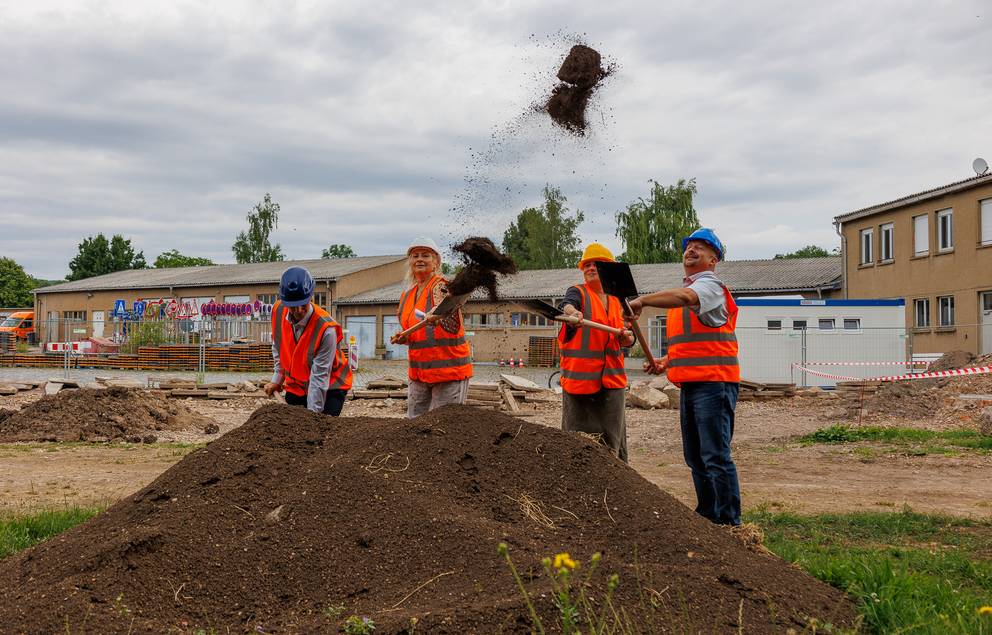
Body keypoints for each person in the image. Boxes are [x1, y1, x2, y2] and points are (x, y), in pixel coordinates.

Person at [626, 228, 741, 526]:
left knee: (715, 456)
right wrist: (666, 360)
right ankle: (707, 517)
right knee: (696, 457)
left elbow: (684, 296)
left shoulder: (709, 287)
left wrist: (643, 301)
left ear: (713, 260)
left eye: (700, 247)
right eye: (689, 246)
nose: (691, 250)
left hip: (715, 383)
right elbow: (692, 343)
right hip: (692, 384)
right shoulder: (686, 295)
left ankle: (729, 523)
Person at [558, 243, 635, 461]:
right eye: (587, 264)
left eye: (597, 264)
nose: (591, 268)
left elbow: (629, 334)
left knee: (613, 441)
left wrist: (628, 339)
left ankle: (617, 484)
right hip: (580, 382)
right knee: (578, 439)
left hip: (612, 381)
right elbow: (567, 305)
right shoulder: (578, 292)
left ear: (609, 269)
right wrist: (573, 314)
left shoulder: (618, 299)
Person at [391, 237, 473, 418]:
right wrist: (405, 338)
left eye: (425, 255)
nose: (419, 259)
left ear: (436, 262)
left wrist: (441, 317)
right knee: (415, 429)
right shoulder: (406, 296)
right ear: (409, 262)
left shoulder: (442, 288)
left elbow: (451, 321)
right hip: (419, 374)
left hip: (448, 372)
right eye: (415, 256)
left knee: (443, 429)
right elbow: (418, 333)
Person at [263, 266, 353, 415]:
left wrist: (312, 418)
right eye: (292, 307)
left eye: (303, 305)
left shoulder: (326, 329)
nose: (298, 311)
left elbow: (320, 377)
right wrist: (277, 380)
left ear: (311, 296)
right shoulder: (278, 311)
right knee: (290, 428)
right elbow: (278, 347)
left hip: (330, 384)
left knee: (324, 429)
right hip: (297, 384)